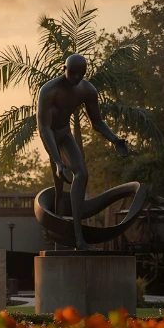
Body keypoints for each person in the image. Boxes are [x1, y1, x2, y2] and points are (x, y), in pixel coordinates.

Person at [37, 54, 129, 250]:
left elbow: (97, 122)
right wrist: (58, 161)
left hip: (64, 133)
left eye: (81, 74)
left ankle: (79, 238)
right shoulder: (49, 90)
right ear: (64, 69)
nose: (77, 78)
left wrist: (115, 139)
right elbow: (44, 128)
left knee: (82, 174)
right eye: (73, 73)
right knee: (59, 187)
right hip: (50, 135)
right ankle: (59, 241)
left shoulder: (87, 90)